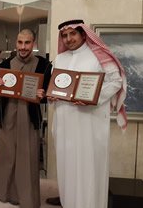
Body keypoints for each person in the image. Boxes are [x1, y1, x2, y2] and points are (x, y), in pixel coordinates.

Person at [47, 19, 127, 208]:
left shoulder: (99, 57)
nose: (68, 39)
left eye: (73, 34)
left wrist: (94, 98)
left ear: (83, 34)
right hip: (64, 122)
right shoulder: (60, 59)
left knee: (88, 166)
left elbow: (116, 81)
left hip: (89, 122)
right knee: (67, 166)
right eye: (64, 35)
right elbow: (56, 86)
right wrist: (51, 95)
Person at [0, 29, 52, 207]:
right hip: (8, 114)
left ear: (34, 44)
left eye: (27, 43)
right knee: (5, 155)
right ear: (16, 44)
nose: (23, 47)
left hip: (29, 116)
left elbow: (49, 94)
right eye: (20, 43)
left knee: (28, 157)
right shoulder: (4, 65)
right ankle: (3, 193)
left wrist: (44, 95)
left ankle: (26, 197)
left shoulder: (44, 65)